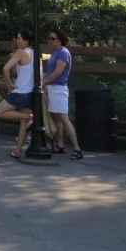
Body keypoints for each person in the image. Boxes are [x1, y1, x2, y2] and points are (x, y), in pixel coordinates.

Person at [0, 28, 35, 159]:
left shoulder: (21, 52)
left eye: (19, 39)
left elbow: (6, 68)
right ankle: (18, 151)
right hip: (31, 92)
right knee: (23, 122)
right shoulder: (35, 53)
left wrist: (9, 82)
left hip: (21, 91)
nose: (17, 41)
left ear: (26, 41)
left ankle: (30, 118)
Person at [43, 29, 82, 160]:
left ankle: (77, 149)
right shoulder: (55, 54)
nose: (50, 41)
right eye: (49, 38)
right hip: (52, 88)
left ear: (60, 40)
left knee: (64, 118)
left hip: (58, 88)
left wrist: (43, 83)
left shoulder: (64, 53)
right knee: (56, 117)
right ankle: (60, 144)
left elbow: (57, 73)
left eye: (53, 38)